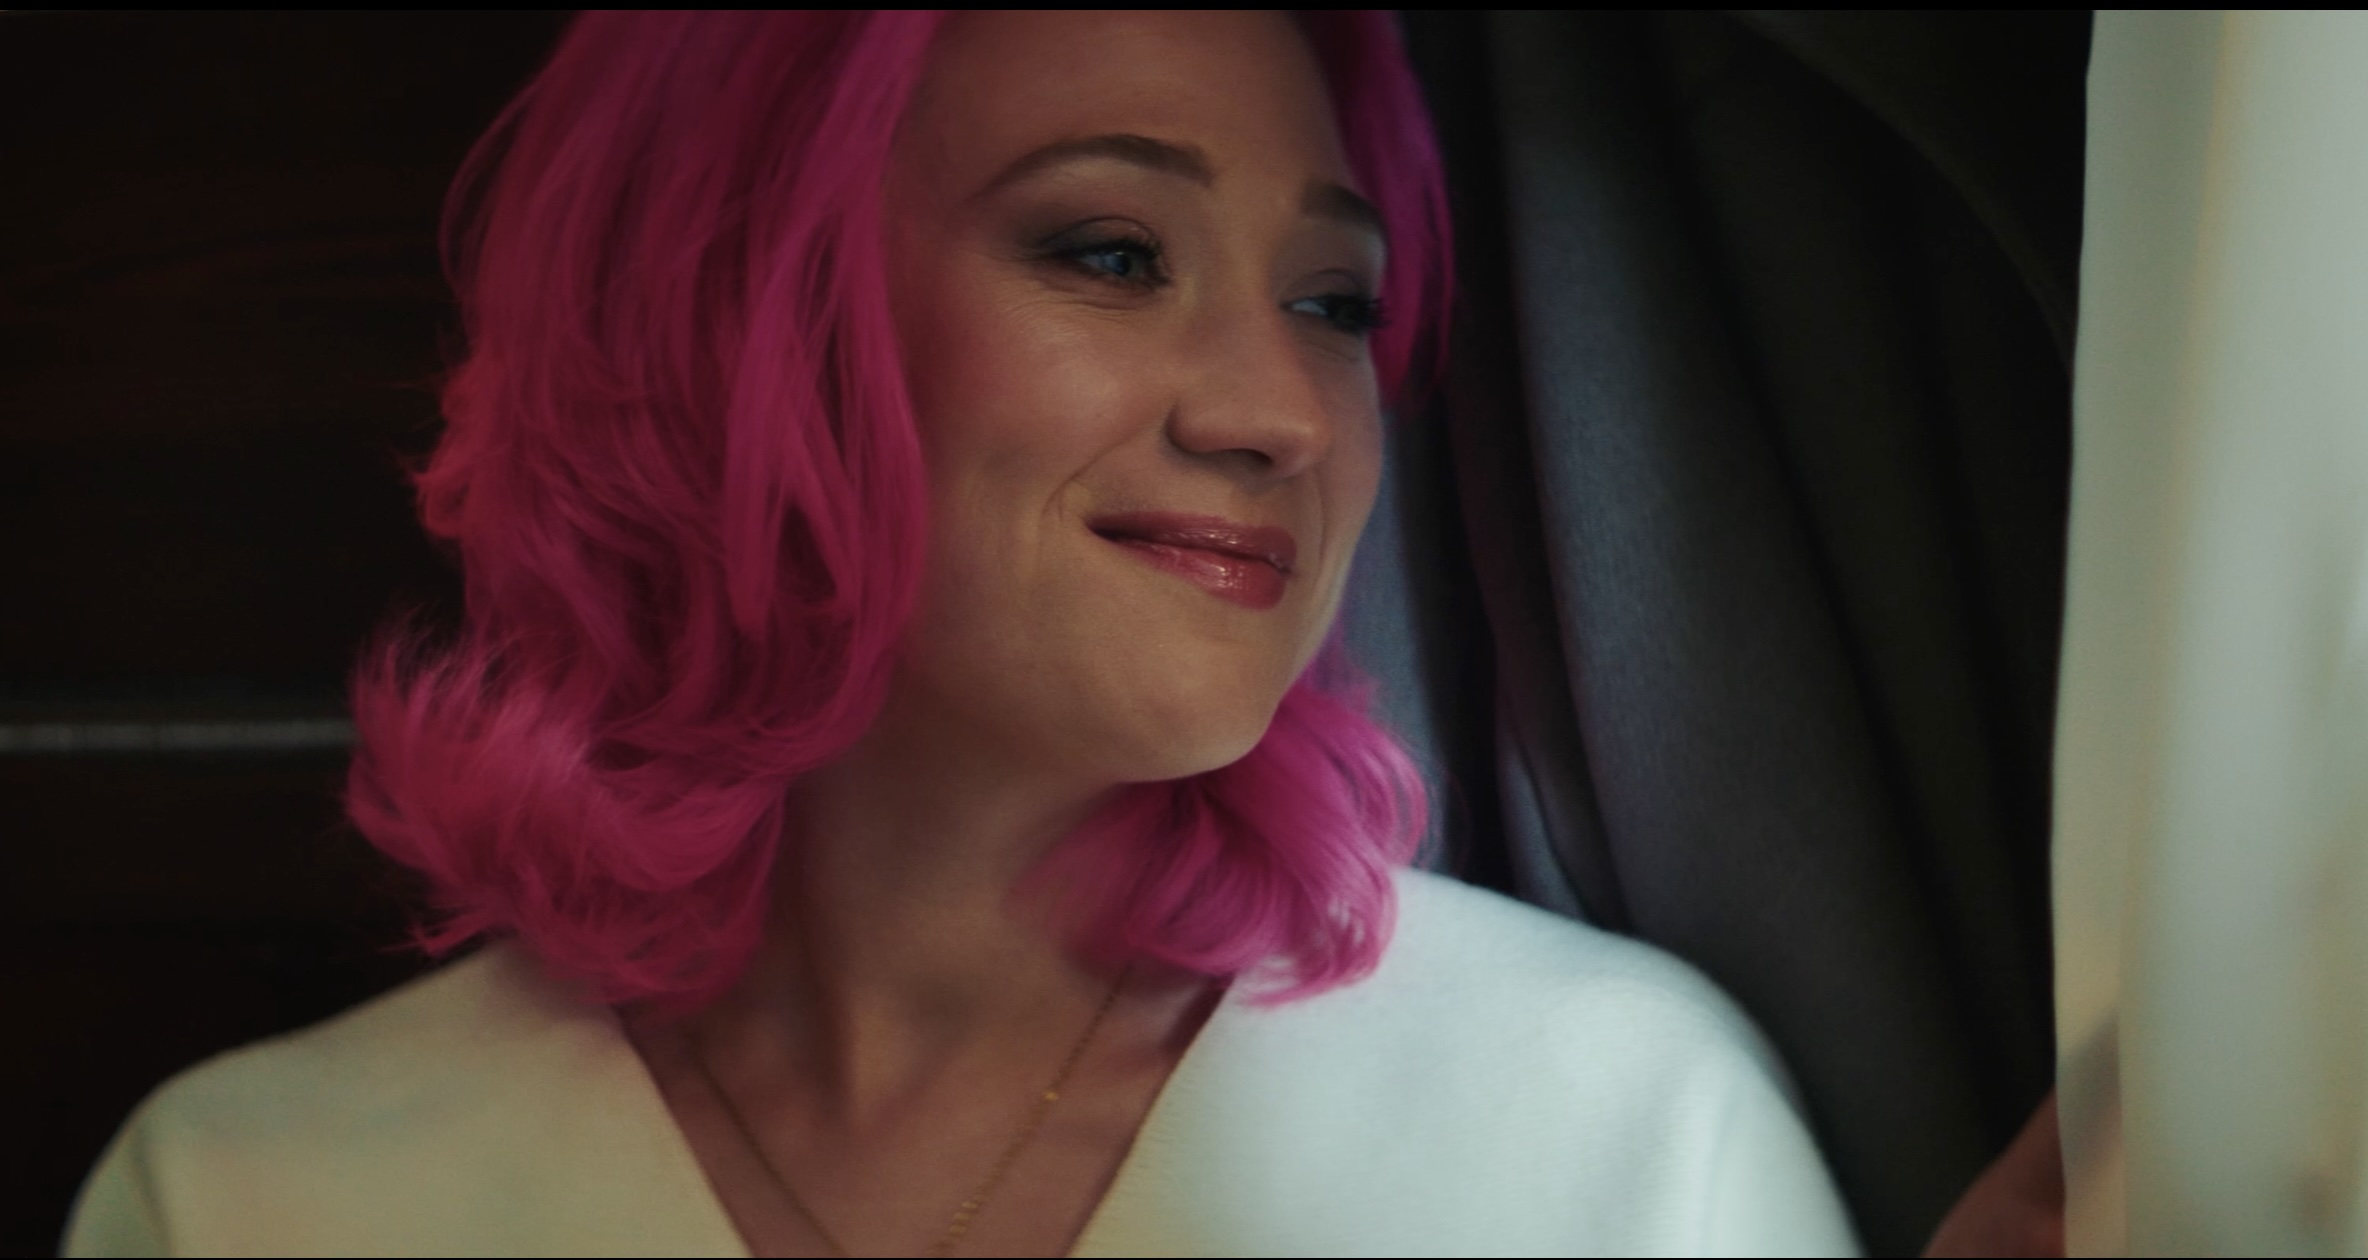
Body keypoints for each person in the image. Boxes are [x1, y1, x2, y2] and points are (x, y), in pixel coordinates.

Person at [63, 11, 1862, 1256]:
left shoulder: (1622, 1137)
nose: (1282, 414)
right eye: (1111, 252)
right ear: (737, 318)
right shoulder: (246, 1202)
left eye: (1335, 300)